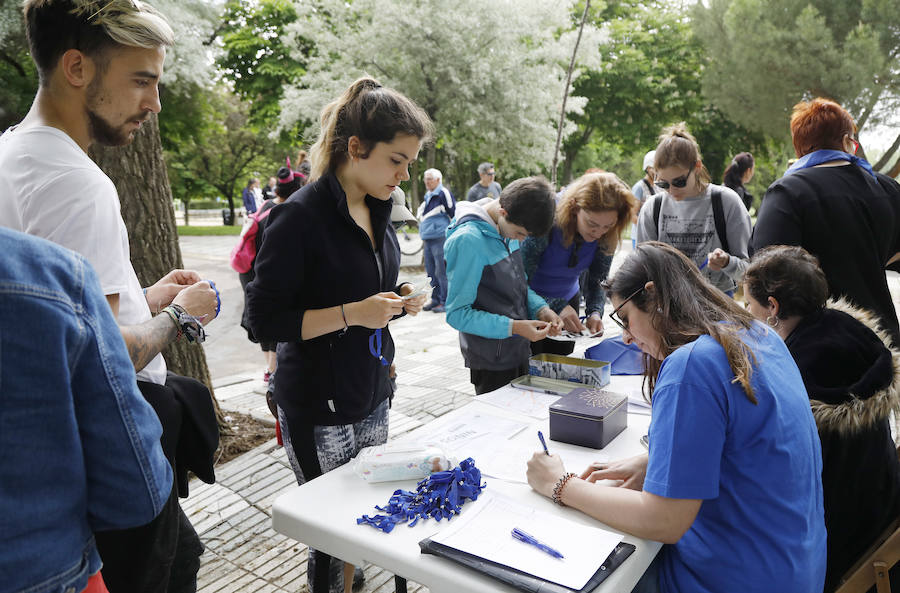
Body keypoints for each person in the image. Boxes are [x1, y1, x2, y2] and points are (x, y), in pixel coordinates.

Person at [0, 2, 221, 591]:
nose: (155, 102)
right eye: (142, 80)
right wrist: (179, 315)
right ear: (77, 68)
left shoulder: (13, 152)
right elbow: (111, 355)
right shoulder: (78, 183)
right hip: (109, 445)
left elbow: (51, 313)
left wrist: (141, 297)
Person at [526, 241, 826, 593]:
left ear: (653, 297)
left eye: (626, 318)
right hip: (794, 569)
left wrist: (560, 484)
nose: (626, 336)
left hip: (734, 579)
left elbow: (663, 521)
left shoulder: (692, 365)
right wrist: (658, 461)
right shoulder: (757, 332)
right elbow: (748, 442)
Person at [245, 76, 432, 593]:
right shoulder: (296, 217)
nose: (404, 173)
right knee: (332, 534)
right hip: (316, 404)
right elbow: (263, 321)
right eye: (397, 159)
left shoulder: (378, 208)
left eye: (410, 162)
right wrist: (354, 312)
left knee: (367, 515)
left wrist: (396, 300)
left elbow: (365, 291)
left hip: (372, 392)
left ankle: (356, 582)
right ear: (356, 147)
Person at [1, 227, 173, 593]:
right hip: (43, 573)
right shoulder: (48, 273)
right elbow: (137, 489)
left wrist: (145, 299)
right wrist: (177, 316)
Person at [743, 245, 900, 592]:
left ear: (773, 307)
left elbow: (780, 476)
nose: (746, 316)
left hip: (837, 531)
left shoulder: (800, 369)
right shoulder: (845, 331)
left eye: (749, 306)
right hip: (879, 501)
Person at [750, 97, 900, 345]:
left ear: (799, 149)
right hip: (882, 339)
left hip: (819, 345)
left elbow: (764, 272)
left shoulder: (787, 193)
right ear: (845, 142)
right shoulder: (886, 187)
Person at [444, 176, 563, 394]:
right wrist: (514, 327)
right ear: (503, 211)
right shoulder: (468, 240)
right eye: (520, 234)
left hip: (518, 350)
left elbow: (520, 286)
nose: (522, 240)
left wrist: (541, 309)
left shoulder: (508, 230)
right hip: (491, 362)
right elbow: (457, 314)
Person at [521, 172, 636, 353]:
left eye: (607, 226)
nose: (598, 233)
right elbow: (518, 282)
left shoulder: (606, 235)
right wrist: (556, 306)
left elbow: (598, 279)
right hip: (527, 303)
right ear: (574, 209)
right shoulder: (547, 221)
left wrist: (595, 312)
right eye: (592, 223)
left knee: (560, 365)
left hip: (569, 300)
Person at [635, 123, 751, 296]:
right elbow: (641, 269)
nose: (672, 190)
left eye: (679, 181)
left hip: (717, 307)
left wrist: (727, 263)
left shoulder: (727, 202)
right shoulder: (653, 208)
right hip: (668, 308)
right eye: (663, 184)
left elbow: (749, 273)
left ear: (697, 167)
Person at [239, 163, 304, 383]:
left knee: (260, 317)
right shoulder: (287, 215)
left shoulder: (266, 205)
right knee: (276, 315)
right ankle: (272, 370)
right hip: (267, 273)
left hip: (249, 272)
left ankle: (269, 367)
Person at [418, 167, 455, 313]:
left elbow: (453, 213)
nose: (426, 182)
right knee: (431, 272)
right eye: (425, 179)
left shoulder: (443, 193)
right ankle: (435, 299)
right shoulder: (428, 195)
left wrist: (452, 234)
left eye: (429, 179)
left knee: (442, 271)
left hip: (440, 237)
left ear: (438, 180)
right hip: (427, 238)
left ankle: (445, 302)